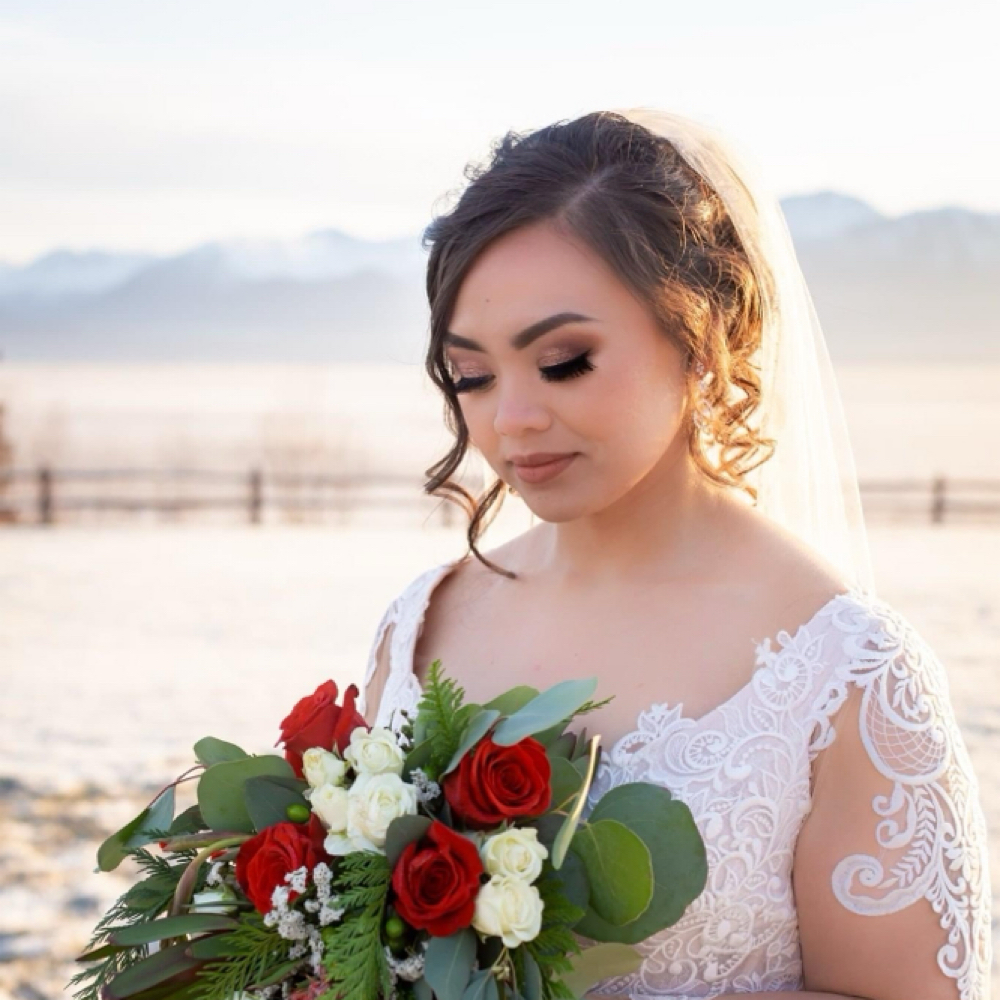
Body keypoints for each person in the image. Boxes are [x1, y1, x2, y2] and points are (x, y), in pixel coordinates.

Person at [357, 109, 992, 999]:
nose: (512, 419)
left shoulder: (846, 673)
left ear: (701, 338)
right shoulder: (420, 621)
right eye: (474, 375)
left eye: (565, 360)